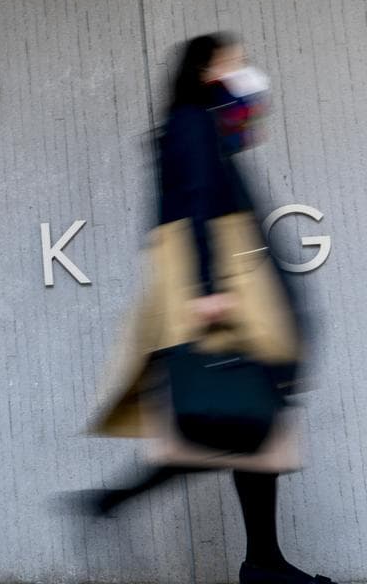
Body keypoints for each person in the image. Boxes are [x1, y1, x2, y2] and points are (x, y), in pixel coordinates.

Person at [83, 34, 334, 584]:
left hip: (222, 276)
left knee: (246, 416)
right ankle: (115, 502)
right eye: (231, 61)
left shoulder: (202, 123)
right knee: (237, 412)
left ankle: (263, 561)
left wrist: (239, 106)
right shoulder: (193, 122)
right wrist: (208, 288)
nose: (242, 68)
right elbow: (197, 202)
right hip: (222, 281)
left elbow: (229, 154)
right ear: (204, 70)